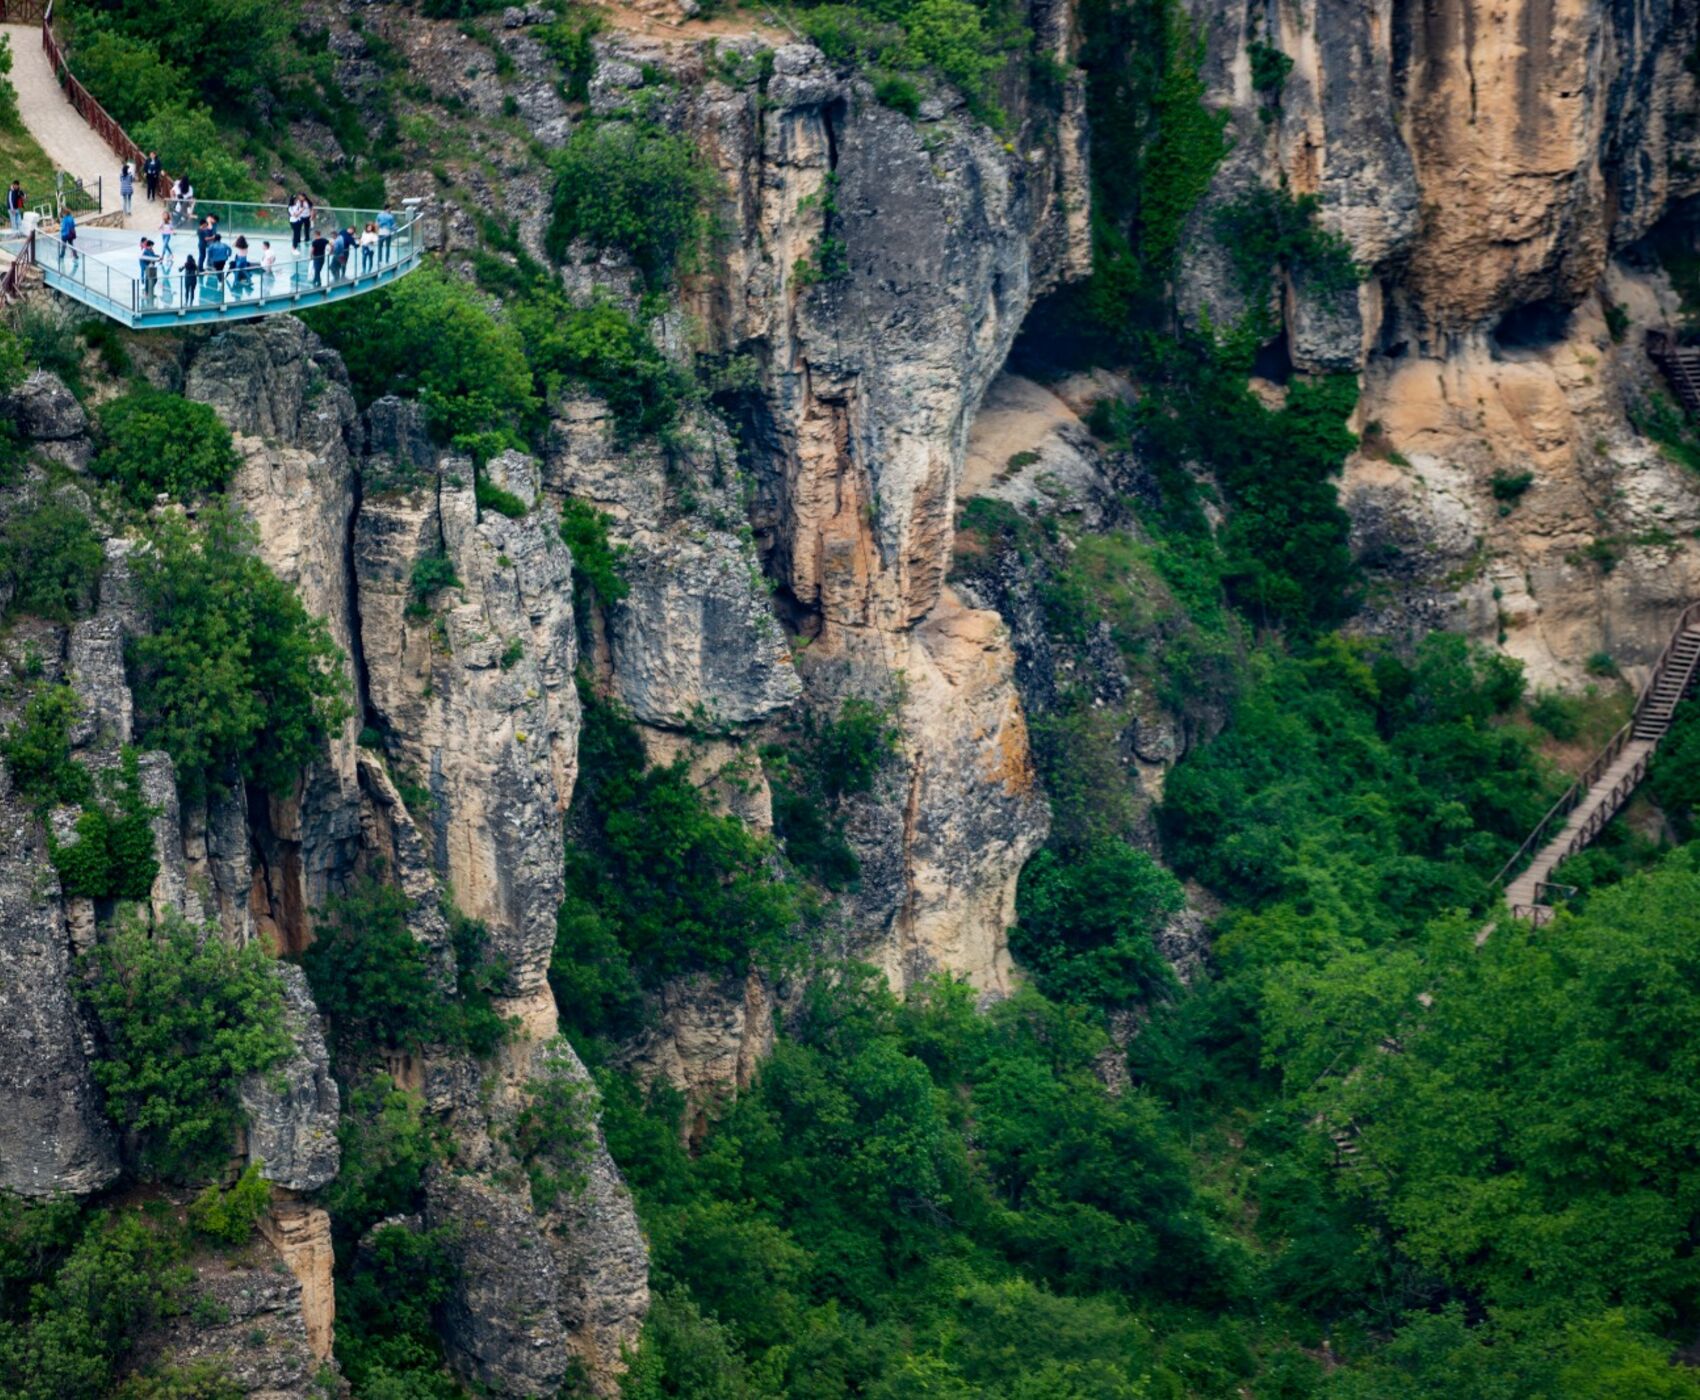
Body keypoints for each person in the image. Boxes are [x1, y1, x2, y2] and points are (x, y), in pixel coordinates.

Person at [139, 237, 160, 301]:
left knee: (155, 279)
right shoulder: (146, 251)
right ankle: (146, 291)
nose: (152, 247)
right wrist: (157, 258)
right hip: (147, 267)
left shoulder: (150, 250)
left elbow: (153, 256)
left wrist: (158, 257)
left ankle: (149, 291)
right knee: (148, 279)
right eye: (151, 246)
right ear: (149, 245)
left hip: (151, 267)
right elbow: (151, 257)